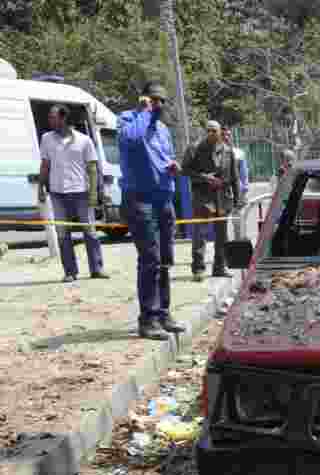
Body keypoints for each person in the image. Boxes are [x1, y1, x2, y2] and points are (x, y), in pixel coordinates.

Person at [118, 82, 184, 340]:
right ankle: (147, 319)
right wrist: (145, 112)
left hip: (163, 198)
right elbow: (131, 140)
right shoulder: (128, 119)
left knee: (166, 258)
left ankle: (163, 313)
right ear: (144, 99)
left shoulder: (164, 129)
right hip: (139, 199)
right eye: (154, 99)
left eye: (162, 101)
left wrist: (172, 165)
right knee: (150, 259)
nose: (159, 105)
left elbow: (164, 155)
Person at [38, 104, 108, 283]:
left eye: (53, 117)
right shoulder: (46, 139)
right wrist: (41, 188)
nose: (50, 120)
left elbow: (93, 169)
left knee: (90, 232)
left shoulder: (84, 140)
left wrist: (94, 194)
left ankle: (97, 269)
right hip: (57, 193)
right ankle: (70, 272)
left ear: (63, 119)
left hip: (81, 192)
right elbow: (45, 165)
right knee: (62, 233)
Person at [183, 120, 241, 281]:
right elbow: (185, 170)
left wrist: (238, 201)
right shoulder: (194, 148)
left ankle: (219, 268)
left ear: (219, 132)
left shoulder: (228, 151)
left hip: (222, 198)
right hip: (203, 197)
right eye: (208, 130)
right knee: (199, 233)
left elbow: (235, 178)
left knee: (222, 235)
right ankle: (198, 269)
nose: (211, 133)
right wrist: (204, 177)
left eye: (214, 131)